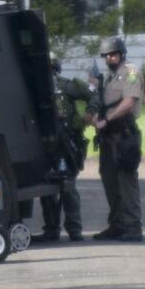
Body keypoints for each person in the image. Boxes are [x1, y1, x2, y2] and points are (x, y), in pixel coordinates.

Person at [87, 35, 143, 242]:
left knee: (126, 183)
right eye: (107, 55)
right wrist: (96, 115)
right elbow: (105, 103)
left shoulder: (131, 73)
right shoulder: (109, 78)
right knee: (110, 182)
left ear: (121, 54)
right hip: (109, 137)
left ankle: (133, 227)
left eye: (113, 54)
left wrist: (107, 119)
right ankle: (117, 224)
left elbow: (129, 102)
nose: (110, 58)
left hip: (125, 135)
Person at [35, 57, 89, 243]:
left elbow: (92, 96)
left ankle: (74, 230)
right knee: (48, 189)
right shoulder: (36, 88)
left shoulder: (67, 86)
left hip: (67, 144)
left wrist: (89, 114)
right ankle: (52, 229)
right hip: (45, 145)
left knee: (68, 188)